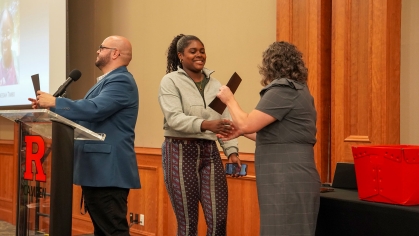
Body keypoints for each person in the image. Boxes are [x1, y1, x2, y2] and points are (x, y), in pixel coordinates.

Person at [28, 35, 140, 236]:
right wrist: (49, 111)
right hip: (97, 170)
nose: (97, 51)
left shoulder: (121, 81)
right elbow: (85, 118)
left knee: (112, 231)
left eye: (101, 47)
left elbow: (95, 109)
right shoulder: (107, 82)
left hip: (107, 171)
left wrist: (55, 102)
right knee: (103, 230)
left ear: (115, 53)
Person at [216, 41, 320, 235]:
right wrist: (241, 132)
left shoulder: (283, 90)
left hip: (285, 179)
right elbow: (275, 136)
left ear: (269, 65)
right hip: (290, 177)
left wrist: (229, 99)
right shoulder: (298, 90)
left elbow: (247, 122)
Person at [158, 34, 241, 235]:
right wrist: (206, 124)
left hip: (209, 152)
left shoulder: (216, 84)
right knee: (188, 223)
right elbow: (174, 119)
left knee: (219, 219)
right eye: (192, 51)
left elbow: (226, 121)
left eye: (202, 50)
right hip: (179, 151)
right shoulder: (170, 81)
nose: (199, 55)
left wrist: (232, 152)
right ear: (181, 56)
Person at [0, 9, 17, 86]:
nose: (5, 39)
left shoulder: (19, 65)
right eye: (2, 33)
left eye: (8, 32)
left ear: (13, 34)